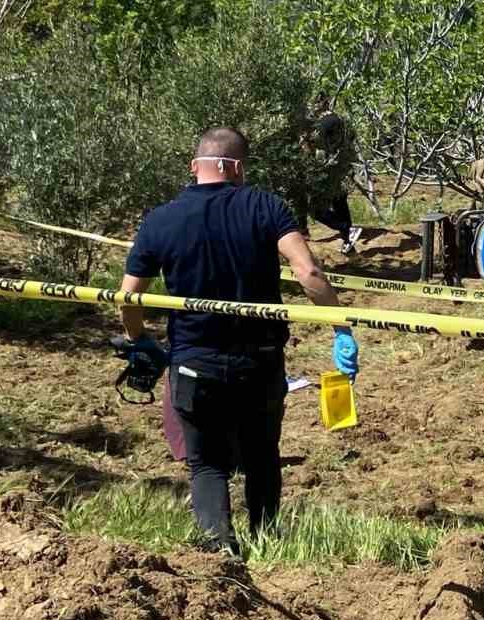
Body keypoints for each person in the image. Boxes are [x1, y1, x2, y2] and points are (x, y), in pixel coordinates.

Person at [118, 126, 360, 555]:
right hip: (260, 361)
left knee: (206, 462)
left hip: (194, 361)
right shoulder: (266, 207)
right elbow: (309, 273)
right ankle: (267, 537)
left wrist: (139, 340)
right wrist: (340, 328)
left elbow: (129, 295)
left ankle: (220, 547)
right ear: (239, 169)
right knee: (263, 453)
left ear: (195, 167)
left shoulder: (161, 219)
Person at [305, 95, 356, 255]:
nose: (312, 107)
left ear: (321, 103)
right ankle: (349, 241)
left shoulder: (324, 123)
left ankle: (345, 230)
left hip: (330, 170)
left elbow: (313, 144)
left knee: (314, 208)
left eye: (313, 103)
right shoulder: (339, 119)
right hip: (342, 168)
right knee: (340, 204)